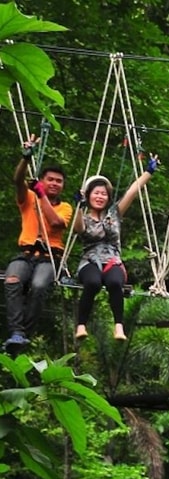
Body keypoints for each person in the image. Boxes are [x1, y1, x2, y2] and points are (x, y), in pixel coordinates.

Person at [72, 155, 159, 341]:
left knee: (114, 283)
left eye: (103, 194)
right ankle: (81, 325)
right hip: (90, 261)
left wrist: (149, 172)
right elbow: (77, 228)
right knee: (93, 283)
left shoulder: (115, 214)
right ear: (88, 195)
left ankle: (119, 327)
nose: (100, 197)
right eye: (96, 193)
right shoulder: (84, 217)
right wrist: (78, 206)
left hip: (113, 261)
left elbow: (132, 192)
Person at [6, 134, 71, 354]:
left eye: (58, 181)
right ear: (42, 181)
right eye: (50, 179)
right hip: (25, 254)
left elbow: (55, 223)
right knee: (12, 280)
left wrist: (42, 195)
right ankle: (17, 333)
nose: (54, 183)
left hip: (49, 257)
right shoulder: (29, 198)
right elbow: (17, 180)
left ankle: (25, 333)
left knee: (39, 286)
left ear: (62, 186)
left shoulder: (66, 208)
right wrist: (26, 158)